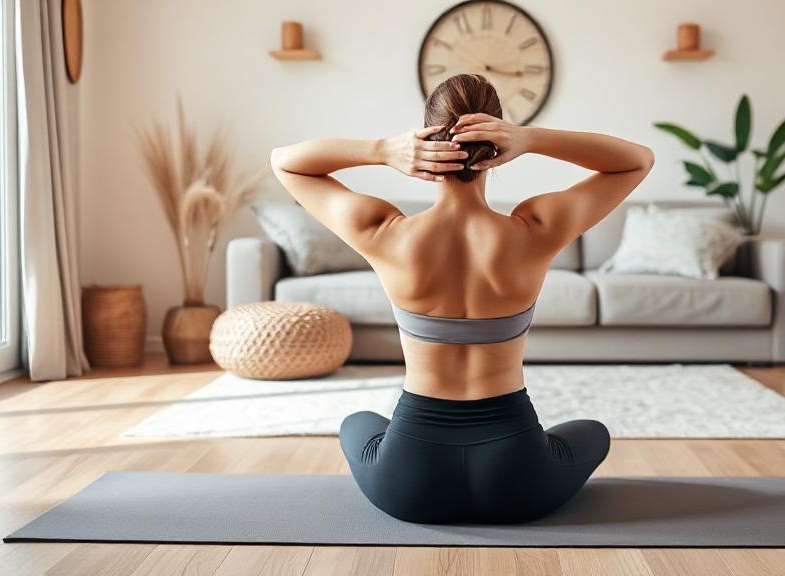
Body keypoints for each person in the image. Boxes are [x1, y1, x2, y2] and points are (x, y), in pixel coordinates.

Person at [271, 74, 654, 524]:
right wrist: (530, 139)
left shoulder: (384, 233)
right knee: (592, 434)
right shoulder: (535, 229)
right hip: (519, 481)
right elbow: (636, 161)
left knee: (358, 421)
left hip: (408, 485)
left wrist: (381, 151)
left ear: (424, 139)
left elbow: (285, 163)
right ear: (497, 147)